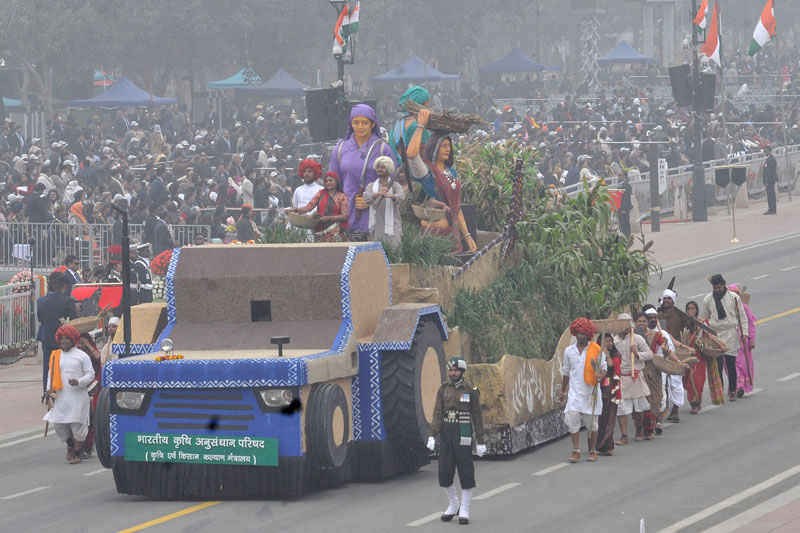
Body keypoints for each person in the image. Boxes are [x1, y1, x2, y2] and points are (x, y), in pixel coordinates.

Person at [406, 109, 478, 253]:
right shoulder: (426, 171)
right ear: (434, 148)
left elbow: (456, 207)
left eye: (449, 146)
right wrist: (420, 126)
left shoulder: (451, 172)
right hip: (432, 235)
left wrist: (468, 236)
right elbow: (411, 154)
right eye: (443, 146)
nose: (447, 149)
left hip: (452, 233)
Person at [427, 357, 485, 525]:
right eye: (450, 370)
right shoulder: (443, 389)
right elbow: (438, 413)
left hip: (464, 431)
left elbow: (477, 416)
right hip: (446, 432)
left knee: (465, 469)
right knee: (444, 471)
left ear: (462, 372)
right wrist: (432, 434)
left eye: (456, 370)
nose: (452, 373)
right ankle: (453, 504)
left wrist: (480, 440)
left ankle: (465, 509)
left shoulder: (470, 391)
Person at [328, 104, 394, 239]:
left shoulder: (383, 149)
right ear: (351, 124)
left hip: (376, 215)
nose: (360, 127)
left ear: (373, 124)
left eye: (365, 122)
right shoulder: (340, 149)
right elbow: (333, 185)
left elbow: (392, 184)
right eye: (356, 122)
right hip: (346, 216)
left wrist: (372, 201)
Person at [43, 325, 95, 464]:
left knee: (77, 425)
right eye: (62, 338)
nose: (64, 341)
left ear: (73, 339)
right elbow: (51, 375)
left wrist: (79, 381)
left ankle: (77, 454)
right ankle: (71, 445)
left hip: (78, 397)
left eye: (67, 338)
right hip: (60, 397)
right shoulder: (55, 355)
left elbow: (91, 374)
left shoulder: (81, 356)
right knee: (60, 426)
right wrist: (49, 389)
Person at [559, 318, 607, 463]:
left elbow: (604, 368)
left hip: (591, 392)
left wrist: (601, 375)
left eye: (583, 333)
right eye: (578, 333)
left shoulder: (596, 350)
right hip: (574, 393)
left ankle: (592, 451)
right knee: (571, 418)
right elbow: (566, 372)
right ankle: (576, 450)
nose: (580, 336)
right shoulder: (569, 351)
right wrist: (563, 391)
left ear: (588, 334)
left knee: (591, 423)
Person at [701, 274, 749, 402]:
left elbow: (742, 317)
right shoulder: (708, 299)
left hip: (730, 333)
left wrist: (744, 333)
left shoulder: (734, 298)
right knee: (718, 365)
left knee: (731, 364)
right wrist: (705, 336)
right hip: (715, 335)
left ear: (723, 284)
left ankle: (733, 390)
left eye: (719, 287)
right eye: (714, 288)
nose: (717, 290)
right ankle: (720, 391)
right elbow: (704, 319)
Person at [614, 313, 654, 444]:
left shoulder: (637, 338)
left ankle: (639, 429)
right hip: (621, 378)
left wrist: (637, 353)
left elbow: (649, 354)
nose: (626, 327)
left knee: (639, 407)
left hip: (635, 376)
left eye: (628, 324)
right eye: (623, 324)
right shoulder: (614, 341)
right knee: (621, 408)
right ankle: (624, 435)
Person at [36, 272, 77, 395]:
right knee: (65, 366)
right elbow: (73, 320)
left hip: (48, 337)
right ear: (64, 287)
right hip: (64, 339)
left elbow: (41, 318)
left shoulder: (43, 301)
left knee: (48, 366)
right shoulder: (68, 301)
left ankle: (47, 391)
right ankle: (62, 390)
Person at [644, 307, 685, 424]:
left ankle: (659, 421)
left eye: (654, 318)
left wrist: (677, 361)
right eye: (650, 318)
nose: (652, 320)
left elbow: (669, 350)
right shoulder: (640, 333)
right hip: (644, 367)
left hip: (660, 366)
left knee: (660, 393)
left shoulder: (663, 334)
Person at [290, 171, 349, 242]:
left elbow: (345, 216)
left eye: (330, 180)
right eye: (326, 181)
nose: (328, 182)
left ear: (336, 182)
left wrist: (329, 218)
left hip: (336, 231)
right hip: (319, 230)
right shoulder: (320, 194)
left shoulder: (342, 197)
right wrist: (294, 209)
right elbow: (308, 207)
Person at [363, 155, 405, 247]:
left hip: (392, 225)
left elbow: (401, 197)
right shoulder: (371, 186)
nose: (379, 169)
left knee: (394, 251)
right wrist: (378, 194)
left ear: (388, 169)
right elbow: (366, 197)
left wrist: (389, 195)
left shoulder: (395, 185)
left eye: (382, 167)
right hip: (376, 224)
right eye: (378, 167)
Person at [388, 85, 432, 166]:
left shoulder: (398, 122)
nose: (429, 106)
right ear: (420, 104)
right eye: (427, 103)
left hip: (398, 168)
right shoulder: (418, 126)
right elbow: (421, 155)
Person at [728, 284, 756, 398]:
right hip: (729, 341)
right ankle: (737, 386)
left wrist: (751, 339)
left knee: (742, 365)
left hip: (742, 341)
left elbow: (750, 324)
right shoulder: (726, 308)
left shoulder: (744, 307)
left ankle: (741, 385)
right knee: (732, 365)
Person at [596, 332, 621, 456]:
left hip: (612, 391)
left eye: (610, 340)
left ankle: (609, 445)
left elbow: (611, 365)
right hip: (599, 391)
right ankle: (599, 445)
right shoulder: (596, 355)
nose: (609, 343)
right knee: (601, 418)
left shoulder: (615, 355)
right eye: (606, 341)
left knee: (610, 418)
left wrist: (605, 352)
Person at [77, 332, 101, 459]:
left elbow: (98, 358)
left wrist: (87, 344)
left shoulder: (92, 353)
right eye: (79, 343)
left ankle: (87, 447)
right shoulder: (75, 354)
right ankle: (76, 447)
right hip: (77, 387)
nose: (81, 346)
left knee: (90, 418)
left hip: (92, 386)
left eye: (83, 343)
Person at [617, 170, 633, 237]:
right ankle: (624, 236)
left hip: (624, 208)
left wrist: (624, 209)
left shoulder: (627, 185)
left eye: (620, 175)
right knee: (621, 224)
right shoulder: (619, 185)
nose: (619, 177)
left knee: (625, 223)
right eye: (618, 175)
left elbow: (626, 198)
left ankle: (627, 237)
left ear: (624, 176)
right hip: (619, 207)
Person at [762, 146, 777, 215]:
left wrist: (767, 181)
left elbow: (770, 171)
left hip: (770, 180)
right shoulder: (768, 159)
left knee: (771, 195)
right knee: (769, 194)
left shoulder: (771, 159)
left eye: (766, 151)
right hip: (768, 180)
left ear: (770, 151)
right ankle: (771, 208)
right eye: (764, 151)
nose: (765, 153)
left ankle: (772, 209)